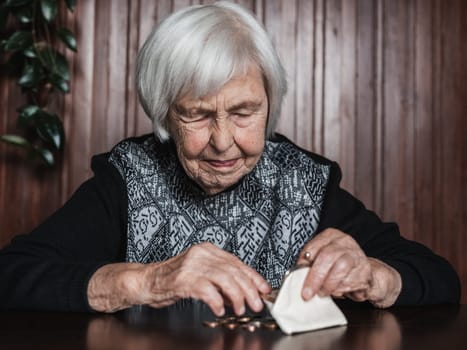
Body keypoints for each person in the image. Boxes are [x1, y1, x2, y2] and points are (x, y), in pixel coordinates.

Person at [0, 1, 460, 316]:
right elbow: (12, 275)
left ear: (269, 105)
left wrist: (375, 276)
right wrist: (147, 281)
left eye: (244, 113)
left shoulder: (305, 181)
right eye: (196, 115)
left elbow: (442, 280)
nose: (223, 143)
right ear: (165, 115)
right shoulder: (127, 178)